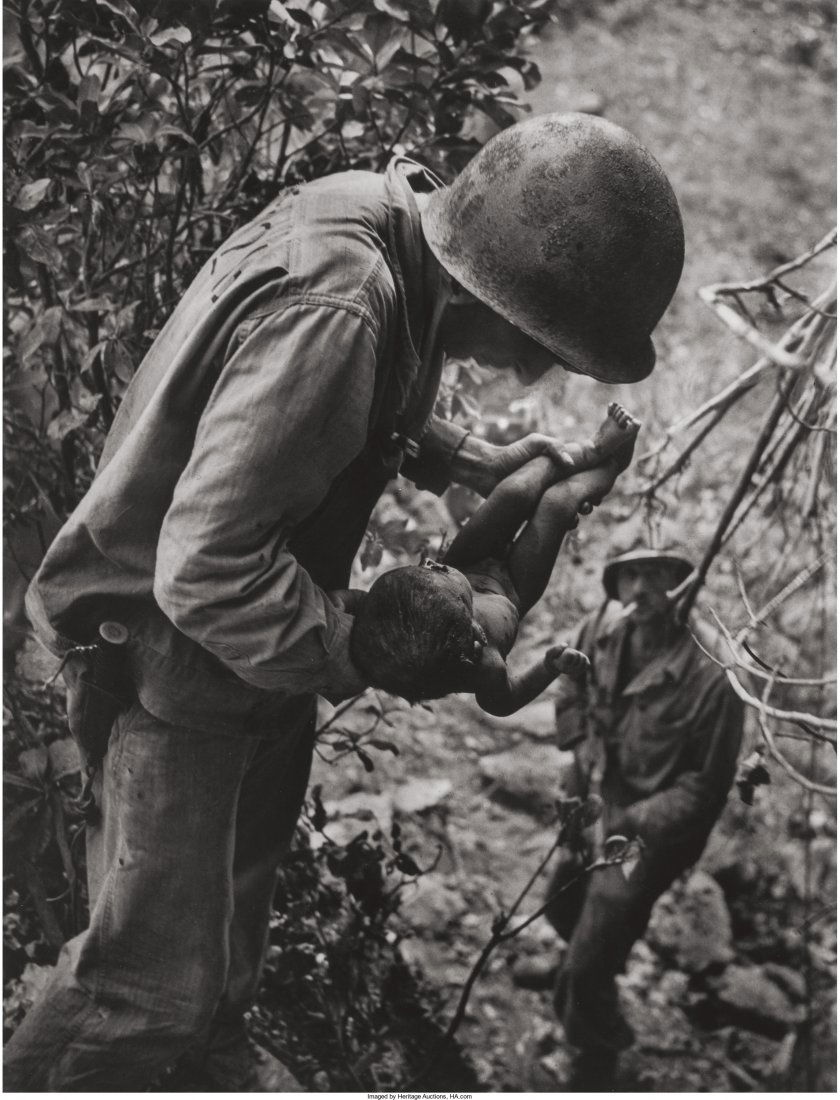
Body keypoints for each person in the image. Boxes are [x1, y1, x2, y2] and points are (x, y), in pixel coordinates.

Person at [6, 112, 684, 1090]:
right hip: (175, 667)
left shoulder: (393, 229)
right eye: (546, 342)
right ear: (494, 283)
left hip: (252, 661)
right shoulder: (344, 304)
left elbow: (346, 391)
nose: (540, 369)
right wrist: (371, 642)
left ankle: (211, 1066)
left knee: (224, 959)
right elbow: (205, 569)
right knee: (140, 993)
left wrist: (464, 454)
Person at [513, 539, 744, 1090]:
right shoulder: (604, 630)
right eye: (629, 576)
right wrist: (576, 751)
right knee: (561, 900)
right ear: (615, 585)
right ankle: (579, 968)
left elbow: (705, 790)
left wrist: (630, 823)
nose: (640, 590)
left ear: (682, 586)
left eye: (657, 576)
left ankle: (596, 1045)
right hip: (597, 797)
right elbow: (571, 684)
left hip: (652, 833)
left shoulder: (714, 676)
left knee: (599, 939)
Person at [351, 403, 640, 711]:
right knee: (557, 503)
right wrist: (549, 667)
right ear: (475, 633)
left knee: (515, 490)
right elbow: (504, 703)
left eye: (429, 568)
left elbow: (354, 601)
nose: (435, 563)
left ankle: (592, 449)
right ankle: (613, 464)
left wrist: (340, 601)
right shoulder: (486, 665)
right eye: (440, 571)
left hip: (470, 559)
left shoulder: (389, 618)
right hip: (514, 587)